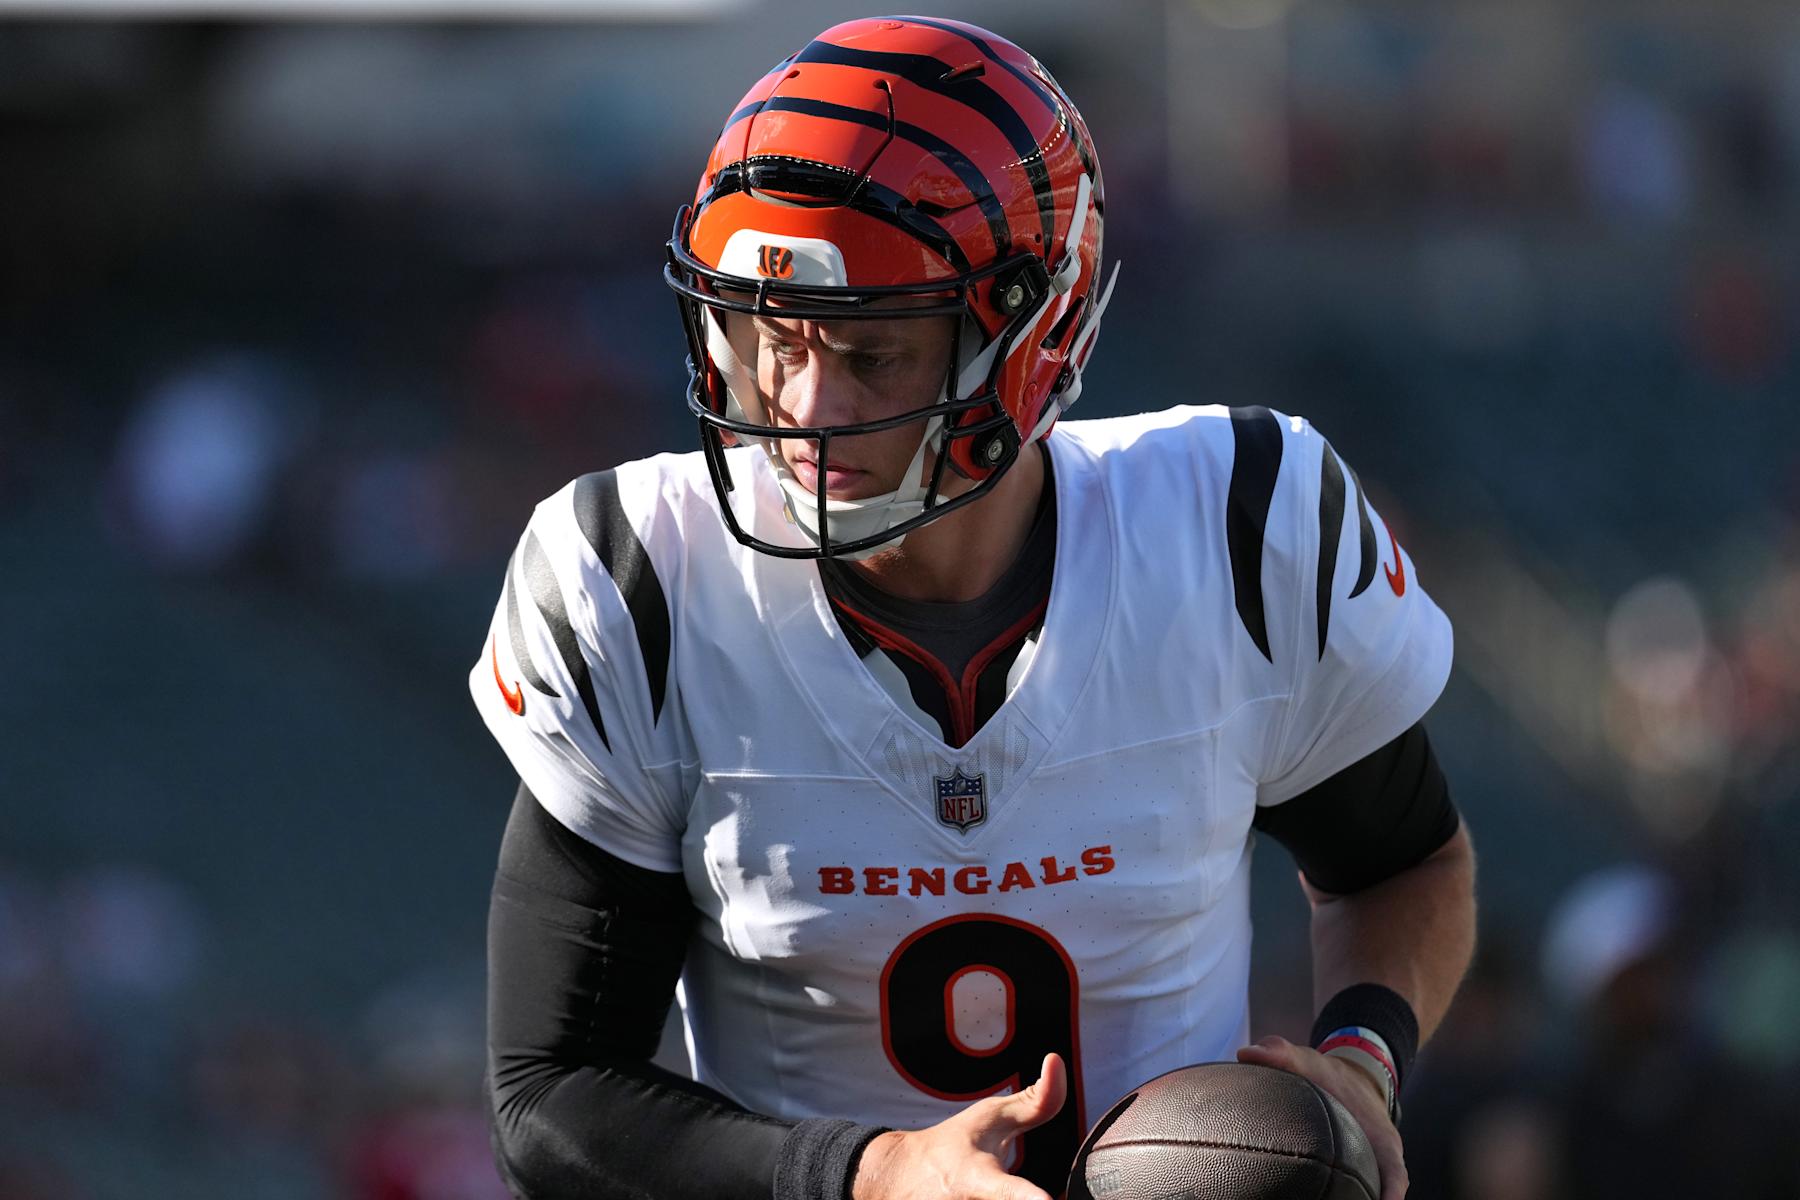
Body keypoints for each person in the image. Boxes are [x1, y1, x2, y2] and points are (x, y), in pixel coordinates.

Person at [471, 16, 1476, 1200]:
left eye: (872, 352)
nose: (801, 404)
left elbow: (1402, 865)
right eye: (766, 337)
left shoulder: (1240, 528)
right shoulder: (641, 582)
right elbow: (551, 1092)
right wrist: (870, 1176)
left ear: (1031, 334)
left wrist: (1362, 1056)